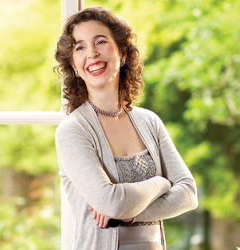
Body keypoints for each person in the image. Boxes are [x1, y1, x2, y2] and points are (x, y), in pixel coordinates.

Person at [54, 6, 198, 250]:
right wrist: (162, 183)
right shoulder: (73, 130)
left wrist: (131, 213)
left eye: (100, 41)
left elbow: (188, 194)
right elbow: (112, 204)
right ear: (75, 67)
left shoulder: (150, 122)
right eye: (80, 47)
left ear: (122, 53)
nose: (92, 53)